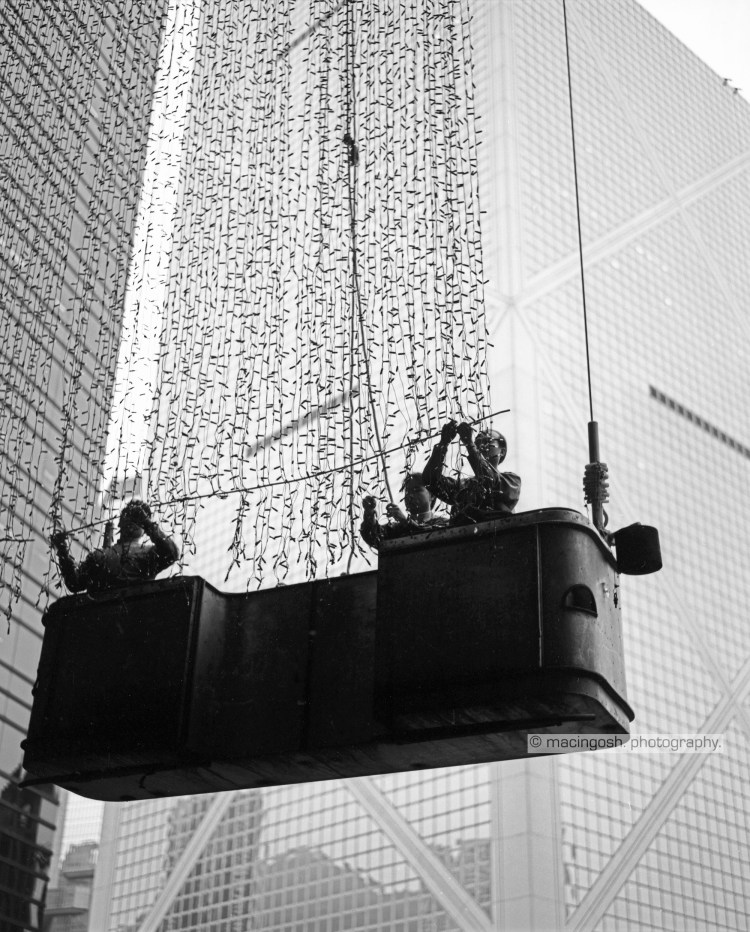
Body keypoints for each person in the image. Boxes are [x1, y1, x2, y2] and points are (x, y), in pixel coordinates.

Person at [50, 500, 180, 594]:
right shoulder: (99, 556)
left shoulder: (149, 553)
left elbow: (172, 553)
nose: (134, 523)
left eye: (139, 519)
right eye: (130, 516)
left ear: (144, 529)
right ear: (120, 522)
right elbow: (75, 583)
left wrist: (147, 523)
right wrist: (62, 550)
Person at [423, 420, 521, 523]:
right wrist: (443, 443)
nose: (481, 446)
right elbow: (430, 481)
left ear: (502, 451)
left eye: (487, 441)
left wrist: (470, 444)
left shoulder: (511, 481)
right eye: (477, 443)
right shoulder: (464, 485)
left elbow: (490, 481)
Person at [360, 473, 448, 548]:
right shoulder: (395, 529)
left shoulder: (443, 523)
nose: (410, 495)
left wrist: (405, 522)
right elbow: (373, 537)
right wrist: (369, 513)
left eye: (416, 490)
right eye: (407, 492)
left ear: (432, 495)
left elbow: (427, 537)